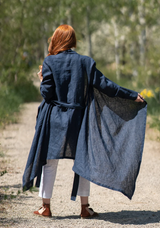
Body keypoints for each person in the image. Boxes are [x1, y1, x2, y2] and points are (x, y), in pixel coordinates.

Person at [23, 24, 147, 219]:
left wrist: (42, 79)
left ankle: (45, 207)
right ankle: (84, 208)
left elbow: (47, 94)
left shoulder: (49, 63)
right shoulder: (85, 62)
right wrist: (131, 95)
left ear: (56, 40)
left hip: (54, 118)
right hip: (78, 118)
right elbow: (106, 85)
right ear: (72, 41)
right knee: (83, 161)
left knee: (50, 162)